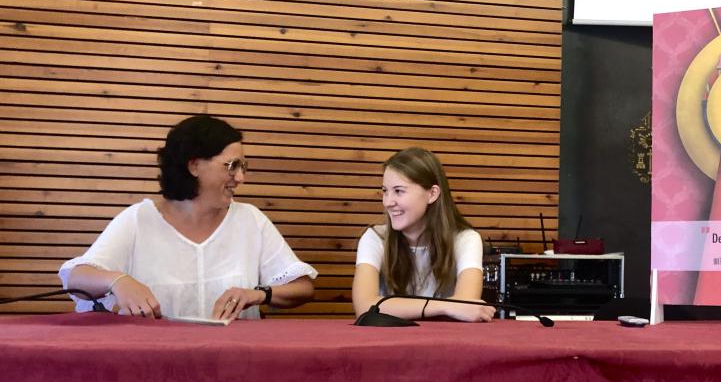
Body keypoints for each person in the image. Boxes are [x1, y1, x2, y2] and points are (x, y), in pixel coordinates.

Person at [59, 115, 316, 320]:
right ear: (194, 166)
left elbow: (302, 287)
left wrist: (259, 294)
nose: (240, 178)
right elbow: (77, 277)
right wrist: (118, 281)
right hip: (156, 359)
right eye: (231, 166)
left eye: (243, 167)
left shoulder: (250, 220)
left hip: (236, 358)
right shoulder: (139, 219)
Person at [352, 147, 495, 322]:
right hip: (388, 338)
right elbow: (364, 307)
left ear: (432, 194)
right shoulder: (375, 237)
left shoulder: (466, 239)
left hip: (445, 337)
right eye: (385, 191)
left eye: (399, 191)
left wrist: (452, 306)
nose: (387, 202)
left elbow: (466, 307)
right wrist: (446, 306)